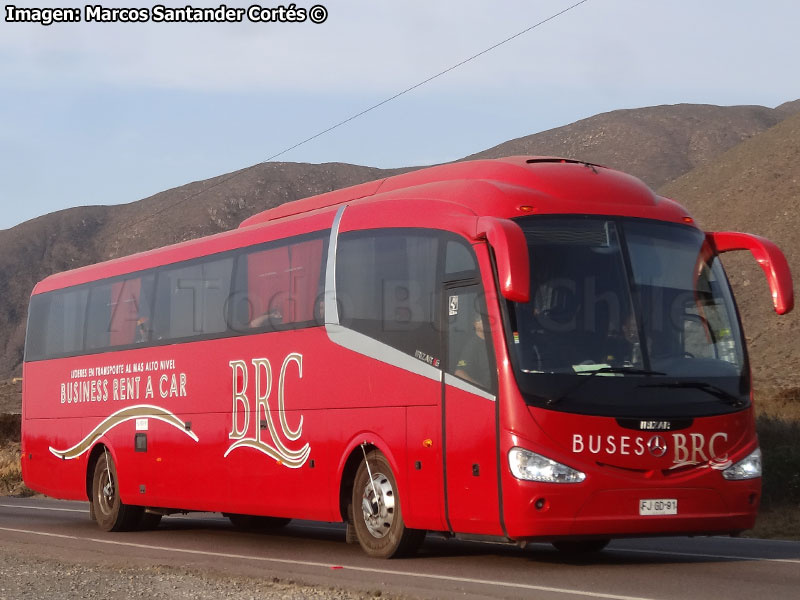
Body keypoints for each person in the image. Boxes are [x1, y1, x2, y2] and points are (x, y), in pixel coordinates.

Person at [454, 312, 490, 388]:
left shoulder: (492, 343)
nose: (487, 322)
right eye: (482, 320)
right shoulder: (472, 346)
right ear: (475, 324)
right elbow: (459, 372)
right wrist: (482, 389)